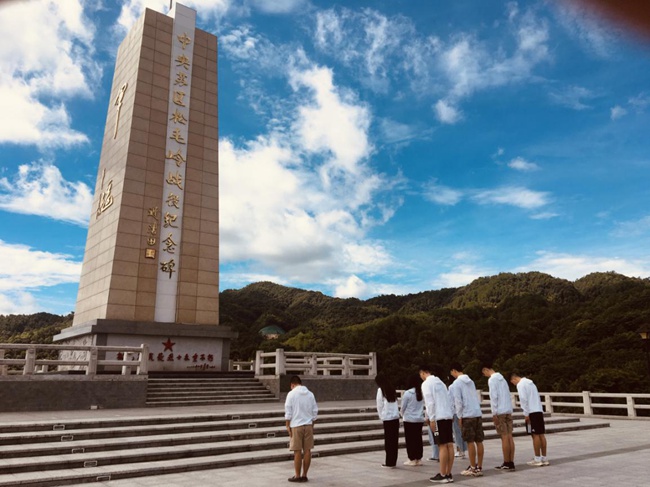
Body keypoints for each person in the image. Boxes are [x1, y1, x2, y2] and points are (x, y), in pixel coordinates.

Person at [420, 364, 455, 483]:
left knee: (442, 445)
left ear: (423, 372)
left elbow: (430, 402)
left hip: (438, 417)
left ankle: (442, 474)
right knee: (449, 444)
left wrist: (431, 418)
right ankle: (449, 473)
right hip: (447, 416)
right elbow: (449, 399)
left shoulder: (426, 384)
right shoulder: (440, 382)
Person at [449, 363, 485, 477]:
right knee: (479, 441)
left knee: (470, 442)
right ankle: (479, 466)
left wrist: (459, 416)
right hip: (477, 413)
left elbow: (458, 402)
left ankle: (472, 468)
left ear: (454, 370)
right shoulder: (471, 381)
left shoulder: (456, 383)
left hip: (467, 415)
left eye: (452, 372)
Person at [510, 373, 549, 467]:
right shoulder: (531, 383)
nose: (514, 385)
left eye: (513, 383)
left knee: (535, 435)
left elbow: (523, 399)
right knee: (541, 434)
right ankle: (544, 458)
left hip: (532, 412)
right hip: (539, 410)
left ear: (514, 379)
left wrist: (526, 413)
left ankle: (537, 458)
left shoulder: (521, 384)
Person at [284, 375, 318, 482]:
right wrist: (312, 424)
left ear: (292, 385)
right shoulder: (310, 394)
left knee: (297, 451)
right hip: (308, 425)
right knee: (307, 450)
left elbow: (288, 412)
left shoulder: (291, 394)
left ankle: (297, 475)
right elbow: (315, 411)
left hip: (296, 425)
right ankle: (305, 475)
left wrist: (287, 425)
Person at [482, 365, 515, 471]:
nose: (485, 375)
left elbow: (493, 397)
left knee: (504, 436)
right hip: (508, 410)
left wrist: (494, 413)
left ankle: (506, 462)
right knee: (509, 436)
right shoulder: (503, 379)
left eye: (484, 373)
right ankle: (511, 461)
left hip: (500, 411)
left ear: (486, 370)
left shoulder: (492, 380)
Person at [375, 375, 400, 468]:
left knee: (388, 441)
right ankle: (393, 461)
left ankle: (389, 462)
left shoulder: (381, 390)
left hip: (387, 418)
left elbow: (379, 405)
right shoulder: (392, 389)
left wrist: (381, 416)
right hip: (395, 418)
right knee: (394, 441)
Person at [400, 375, 425, 466]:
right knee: (418, 439)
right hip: (419, 419)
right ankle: (419, 458)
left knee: (410, 439)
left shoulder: (408, 393)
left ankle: (412, 458)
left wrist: (402, 414)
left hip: (409, 419)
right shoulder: (420, 392)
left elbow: (403, 407)